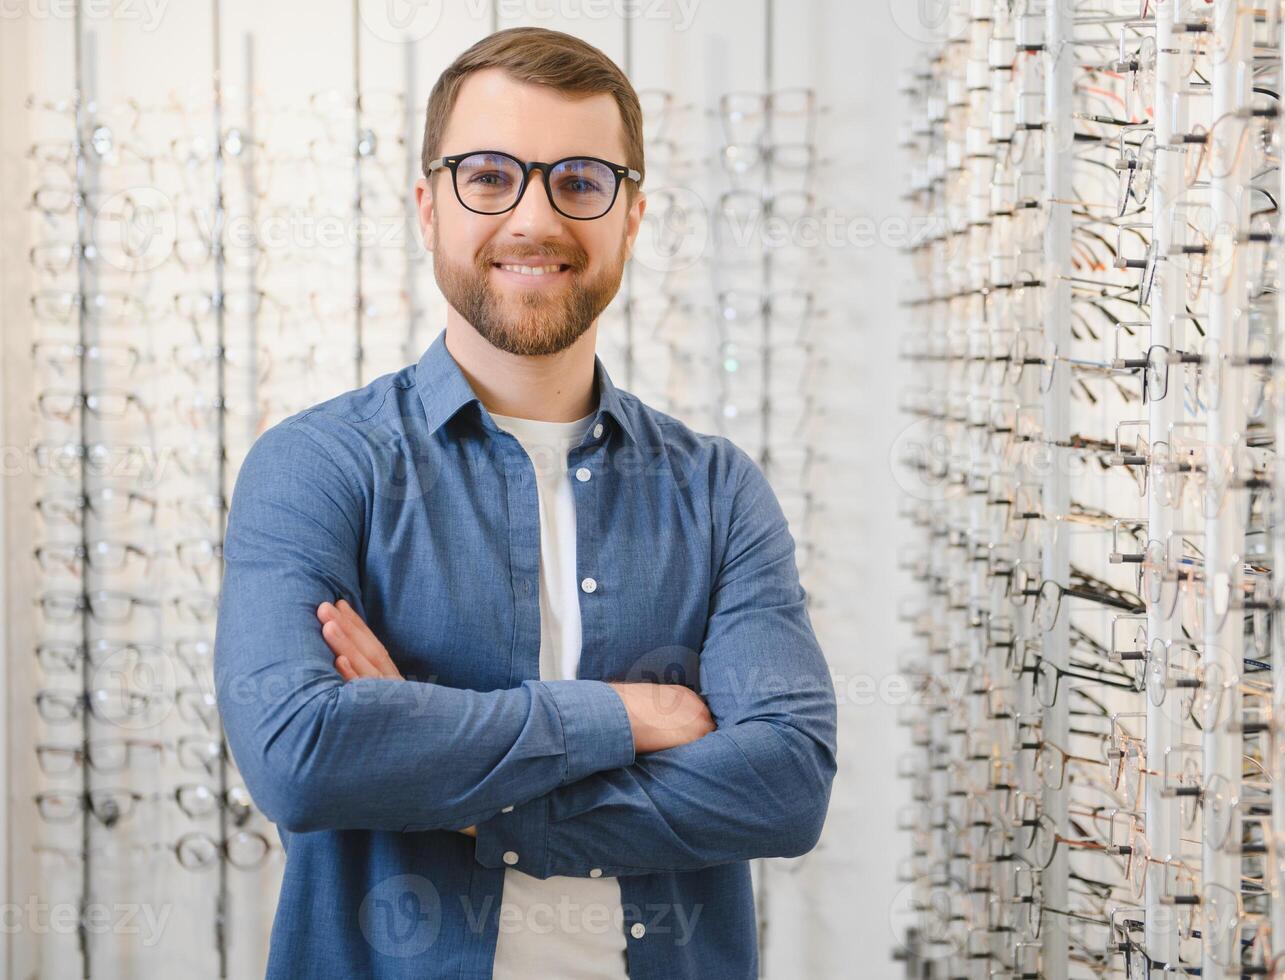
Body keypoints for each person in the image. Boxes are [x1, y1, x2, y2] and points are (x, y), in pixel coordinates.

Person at [213, 25, 837, 980]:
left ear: (631, 216)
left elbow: (785, 787)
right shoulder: (316, 466)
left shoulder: (717, 491)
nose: (534, 219)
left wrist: (457, 790)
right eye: (490, 176)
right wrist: (621, 717)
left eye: (580, 181)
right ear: (428, 208)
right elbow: (300, 755)